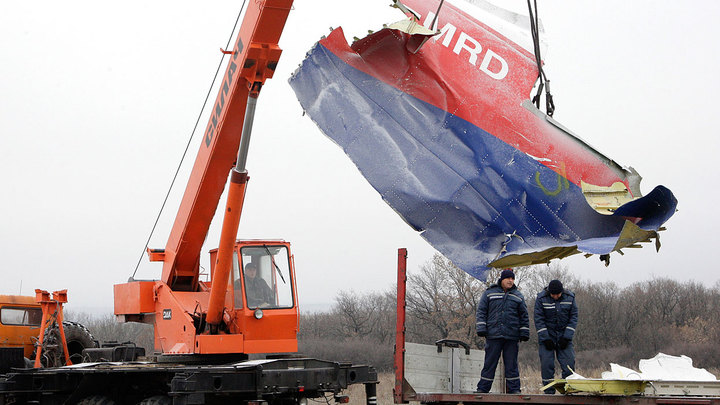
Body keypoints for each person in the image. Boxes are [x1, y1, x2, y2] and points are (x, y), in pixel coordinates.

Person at [476, 269, 530, 393]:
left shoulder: (518, 295)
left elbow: (524, 315)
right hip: (493, 335)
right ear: (502, 279)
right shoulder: (489, 293)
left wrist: (524, 332)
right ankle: (483, 389)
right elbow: (481, 311)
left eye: (512, 279)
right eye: (508, 278)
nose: (511, 281)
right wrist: (481, 328)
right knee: (489, 364)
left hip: (512, 336)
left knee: (511, 365)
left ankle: (514, 390)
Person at [534, 279, 578, 394]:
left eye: (558, 294)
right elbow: (538, 319)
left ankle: (567, 391)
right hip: (547, 338)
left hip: (564, 337)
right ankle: (549, 392)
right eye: (553, 295)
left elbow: (573, 318)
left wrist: (567, 337)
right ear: (549, 292)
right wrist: (545, 338)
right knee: (547, 364)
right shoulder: (541, 299)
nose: (555, 297)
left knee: (569, 363)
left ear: (562, 292)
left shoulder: (570, 298)